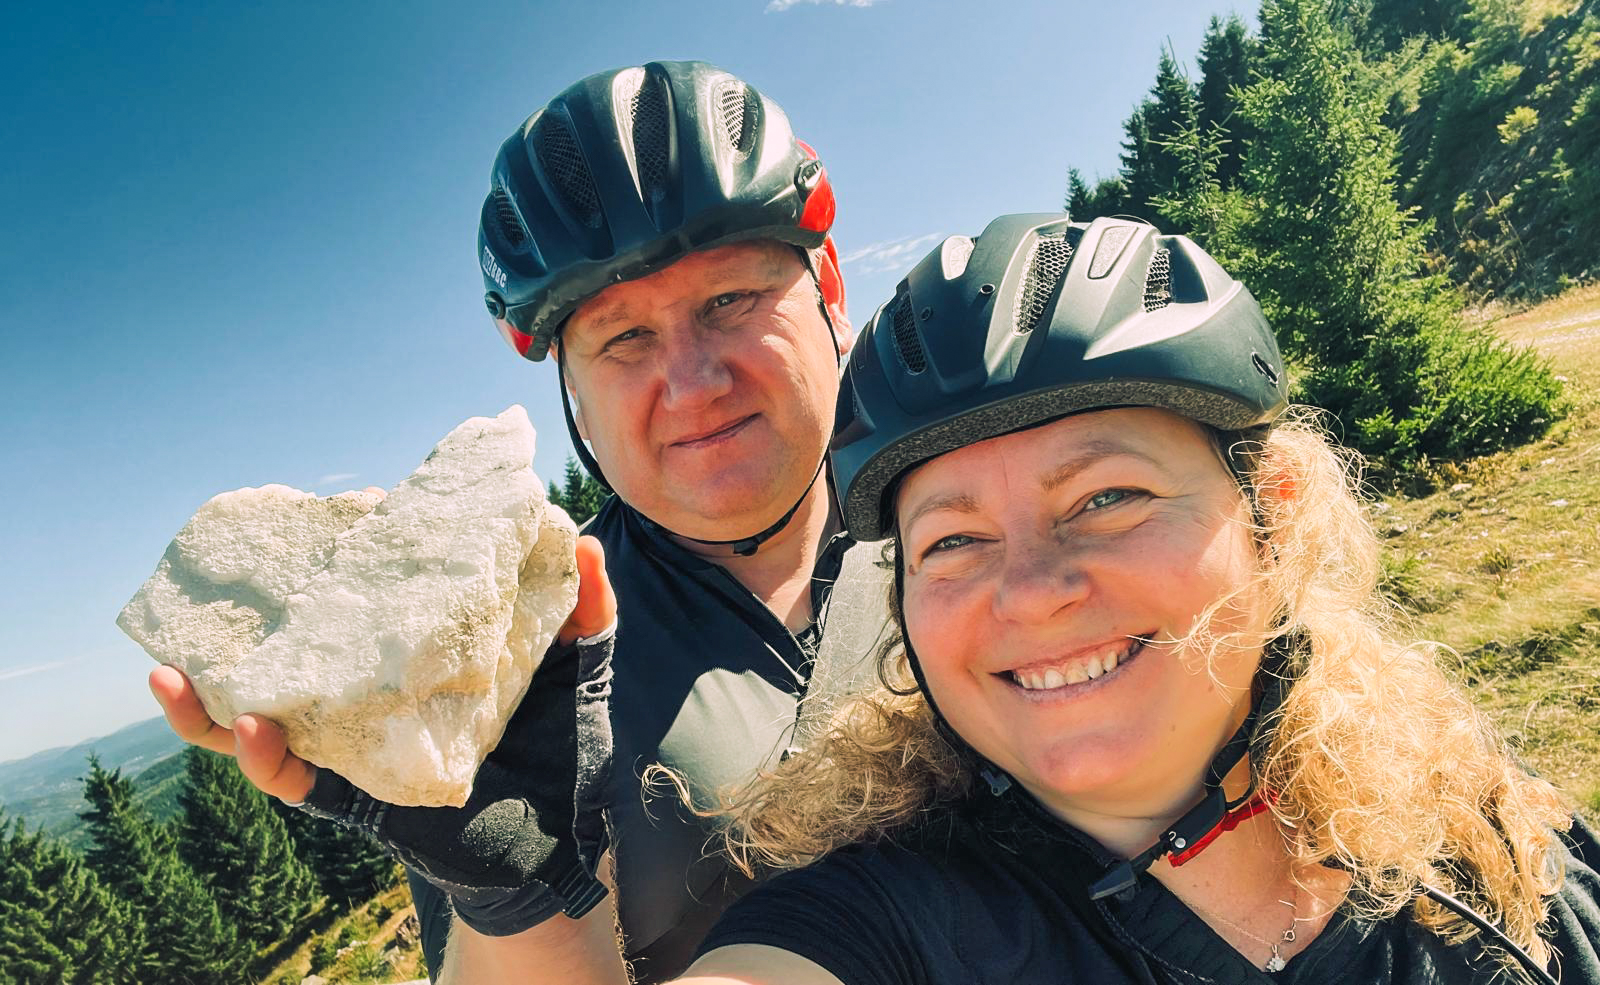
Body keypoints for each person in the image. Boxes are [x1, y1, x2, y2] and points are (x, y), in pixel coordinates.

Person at [670, 214, 1600, 985]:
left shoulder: (1481, 832)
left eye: (1106, 497)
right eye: (952, 540)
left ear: (1272, 517)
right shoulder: (880, 923)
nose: (1032, 593)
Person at [150, 60, 891, 985]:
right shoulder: (523, 662)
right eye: (624, 337)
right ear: (571, 386)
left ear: (828, 283)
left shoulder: (970, 519)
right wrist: (519, 908)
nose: (693, 382)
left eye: (729, 300)